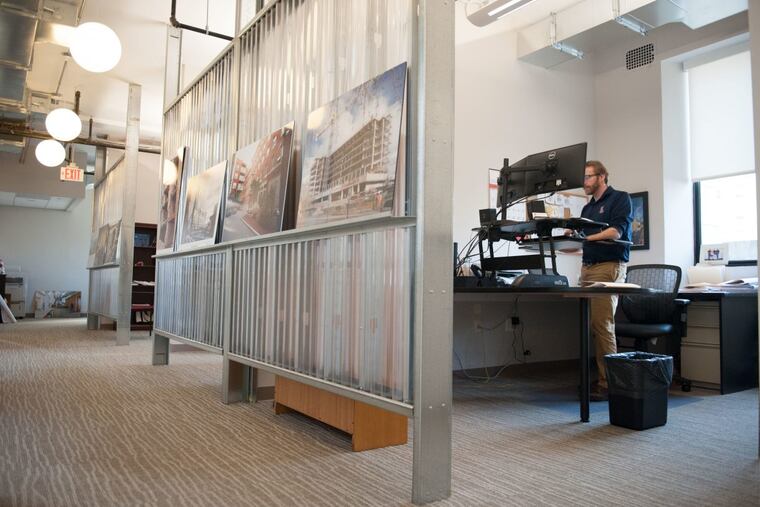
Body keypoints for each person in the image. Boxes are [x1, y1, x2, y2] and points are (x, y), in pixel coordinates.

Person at [577, 160, 633, 401]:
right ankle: (602, 376)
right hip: (587, 268)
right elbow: (581, 240)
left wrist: (587, 240)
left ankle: (610, 382)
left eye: (589, 177)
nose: (585, 182)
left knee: (602, 324)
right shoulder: (587, 210)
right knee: (591, 325)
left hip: (608, 267)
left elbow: (615, 232)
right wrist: (568, 236)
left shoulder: (619, 198)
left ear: (601, 177)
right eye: (584, 178)